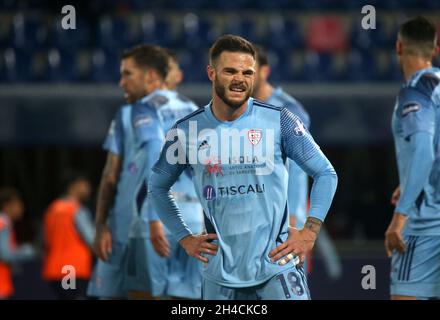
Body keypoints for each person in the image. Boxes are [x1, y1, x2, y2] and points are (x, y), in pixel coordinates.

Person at [148, 34, 338, 300]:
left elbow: (326, 173)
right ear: (211, 73)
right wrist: (184, 237)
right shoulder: (186, 131)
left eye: (247, 72)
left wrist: (310, 231)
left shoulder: (279, 120)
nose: (240, 79)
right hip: (218, 275)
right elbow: (157, 187)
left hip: (276, 268)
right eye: (230, 71)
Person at [87, 44, 171, 299]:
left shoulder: (132, 116)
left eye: (128, 74)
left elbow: (111, 175)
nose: (121, 83)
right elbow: (110, 176)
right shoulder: (126, 115)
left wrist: (101, 227)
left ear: (151, 76)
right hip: (126, 232)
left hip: (145, 233)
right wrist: (101, 227)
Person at [252, 46, 342, 280]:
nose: (244, 76)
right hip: (256, 215)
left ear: (264, 71)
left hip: (286, 217)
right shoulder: (243, 109)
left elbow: (297, 167)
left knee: (287, 284)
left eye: (250, 70)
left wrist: (292, 215)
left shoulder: (288, 110)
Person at [122, 46, 204, 300]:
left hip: (157, 216)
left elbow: (153, 154)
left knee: (145, 293)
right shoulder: (192, 106)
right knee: (188, 298)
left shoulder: (144, 107)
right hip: (193, 217)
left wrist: (152, 216)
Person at [385, 16, 440, 300]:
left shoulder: (416, 93)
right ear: (435, 49)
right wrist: (409, 180)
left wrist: (400, 216)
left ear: (398, 47)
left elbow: (423, 151)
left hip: (426, 227)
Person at [42, 170, 95, 300]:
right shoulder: (76, 210)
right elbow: (92, 240)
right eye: (84, 185)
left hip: (54, 270)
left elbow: (45, 241)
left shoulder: (51, 209)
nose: (88, 189)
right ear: (73, 186)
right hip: (72, 270)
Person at [0, 187, 36, 299]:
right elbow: (5, 255)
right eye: (19, 205)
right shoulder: (3, 224)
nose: (22, 209)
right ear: (7, 205)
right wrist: (27, 251)